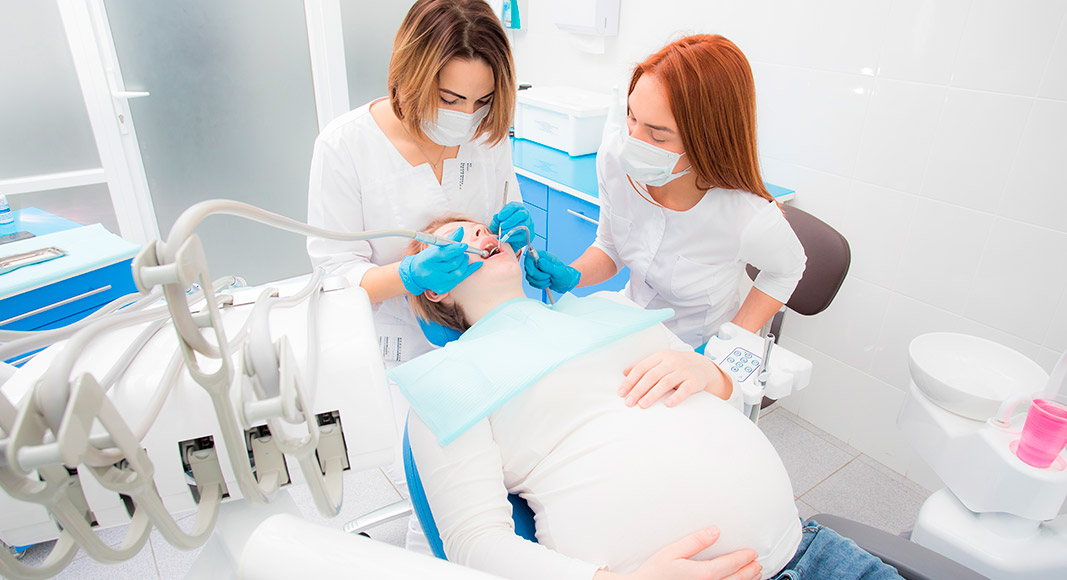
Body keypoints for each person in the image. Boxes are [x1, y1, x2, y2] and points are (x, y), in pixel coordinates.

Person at [390, 214, 904, 580]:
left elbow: (725, 397)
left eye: (481, 226)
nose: (479, 232)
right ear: (433, 289)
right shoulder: (446, 379)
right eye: (451, 238)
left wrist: (709, 369)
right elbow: (473, 544)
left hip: (812, 553)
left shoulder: (611, 309)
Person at [304, 0, 532, 550]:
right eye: (450, 98)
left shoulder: (485, 134)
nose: (464, 116)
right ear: (410, 73)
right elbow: (333, 279)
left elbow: (507, 215)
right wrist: (407, 275)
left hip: (484, 335)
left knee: (507, 474)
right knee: (444, 484)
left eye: (481, 102)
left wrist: (518, 239)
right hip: (401, 350)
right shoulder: (346, 145)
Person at [525, 35, 807, 354]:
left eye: (658, 136)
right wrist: (573, 274)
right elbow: (610, 246)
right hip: (628, 326)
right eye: (631, 117)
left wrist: (723, 347)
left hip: (692, 349)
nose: (633, 141)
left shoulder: (744, 215)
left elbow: (787, 270)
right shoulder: (615, 159)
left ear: (707, 140)